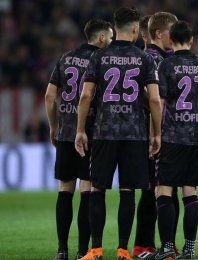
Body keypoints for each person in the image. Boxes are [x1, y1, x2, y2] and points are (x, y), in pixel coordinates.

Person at [75, 7, 162, 260]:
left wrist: (81, 130)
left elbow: (86, 95)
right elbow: (155, 101)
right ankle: (123, 250)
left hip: (104, 132)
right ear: (136, 30)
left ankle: (96, 249)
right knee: (127, 191)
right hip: (134, 134)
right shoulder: (144, 59)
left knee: (97, 190)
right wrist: (156, 133)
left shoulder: (99, 57)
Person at [143, 20, 198, 260]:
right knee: (190, 192)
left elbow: (161, 103)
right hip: (196, 138)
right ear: (191, 40)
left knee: (163, 190)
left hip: (172, 138)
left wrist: (156, 134)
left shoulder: (166, 65)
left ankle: (166, 249)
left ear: (171, 40)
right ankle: (189, 248)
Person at [44, 18, 113, 260]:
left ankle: (61, 250)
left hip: (65, 133)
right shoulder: (103, 60)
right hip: (91, 134)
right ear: (101, 38)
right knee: (87, 189)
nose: (112, 42)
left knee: (65, 189)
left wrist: (54, 126)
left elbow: (50, 96)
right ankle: (83, 250)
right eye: (111, 38)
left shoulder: (66, 57)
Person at [133, 11, 179, 258]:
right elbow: (149, 97)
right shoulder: (151, 57)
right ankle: (143, 245)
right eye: (172, 32)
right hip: (152, 133)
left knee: (165, 190)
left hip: (165, 133)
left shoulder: (164, 57)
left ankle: (165, 244)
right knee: (152, 190)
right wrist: (155, 132)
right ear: (159, 34)